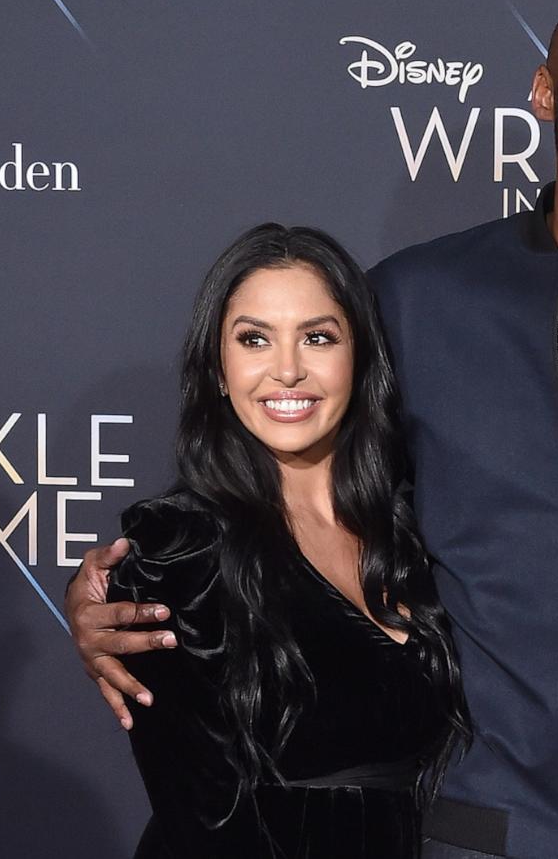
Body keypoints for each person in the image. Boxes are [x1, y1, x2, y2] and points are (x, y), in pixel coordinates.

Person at [68, 0, 558, 859]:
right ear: (544, 90)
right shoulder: (417, 300)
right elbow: (292, 488)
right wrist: (137, 595)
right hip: (477, 832)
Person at [106, 224, 467, 858]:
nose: (288, 371)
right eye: (254, 340)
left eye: (318, 337)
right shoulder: (176, 557)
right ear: (218, 369)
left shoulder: (417, 530)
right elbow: (200, 820)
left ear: (359, 359)